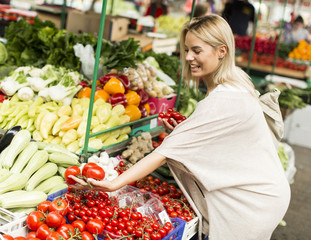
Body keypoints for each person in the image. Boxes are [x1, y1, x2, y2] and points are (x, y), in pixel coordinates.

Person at [69, 15, 291, 240]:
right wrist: (187, 129)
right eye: (186, 50)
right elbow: (225, 138)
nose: (188, 57)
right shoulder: (236, 81)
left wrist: (114, 183)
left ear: (221, 51)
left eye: (196, 50)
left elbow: (163, 153)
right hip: (264, 190)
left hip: (250, 203)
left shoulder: (224, 98)